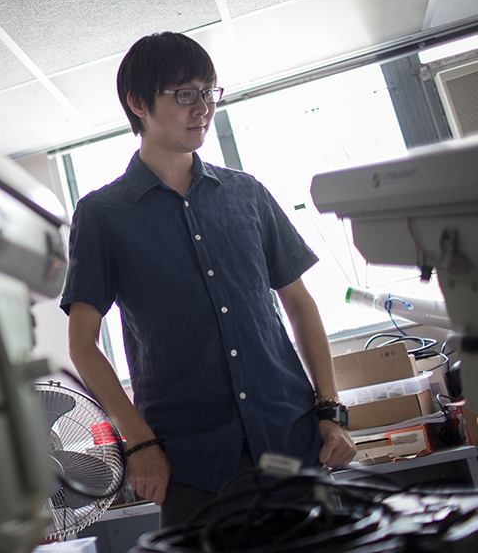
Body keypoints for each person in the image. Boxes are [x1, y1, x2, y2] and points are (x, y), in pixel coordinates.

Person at [59, 32, 356, 528]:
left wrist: (331, 409)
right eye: (184, 94)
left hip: (292, 442)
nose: (202, 107)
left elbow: (299, 305)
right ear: (138, 103)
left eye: (209, 92)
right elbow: (83, 344)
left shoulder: (248, 194)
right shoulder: (102, 215)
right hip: (193, 463)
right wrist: (140, 441)